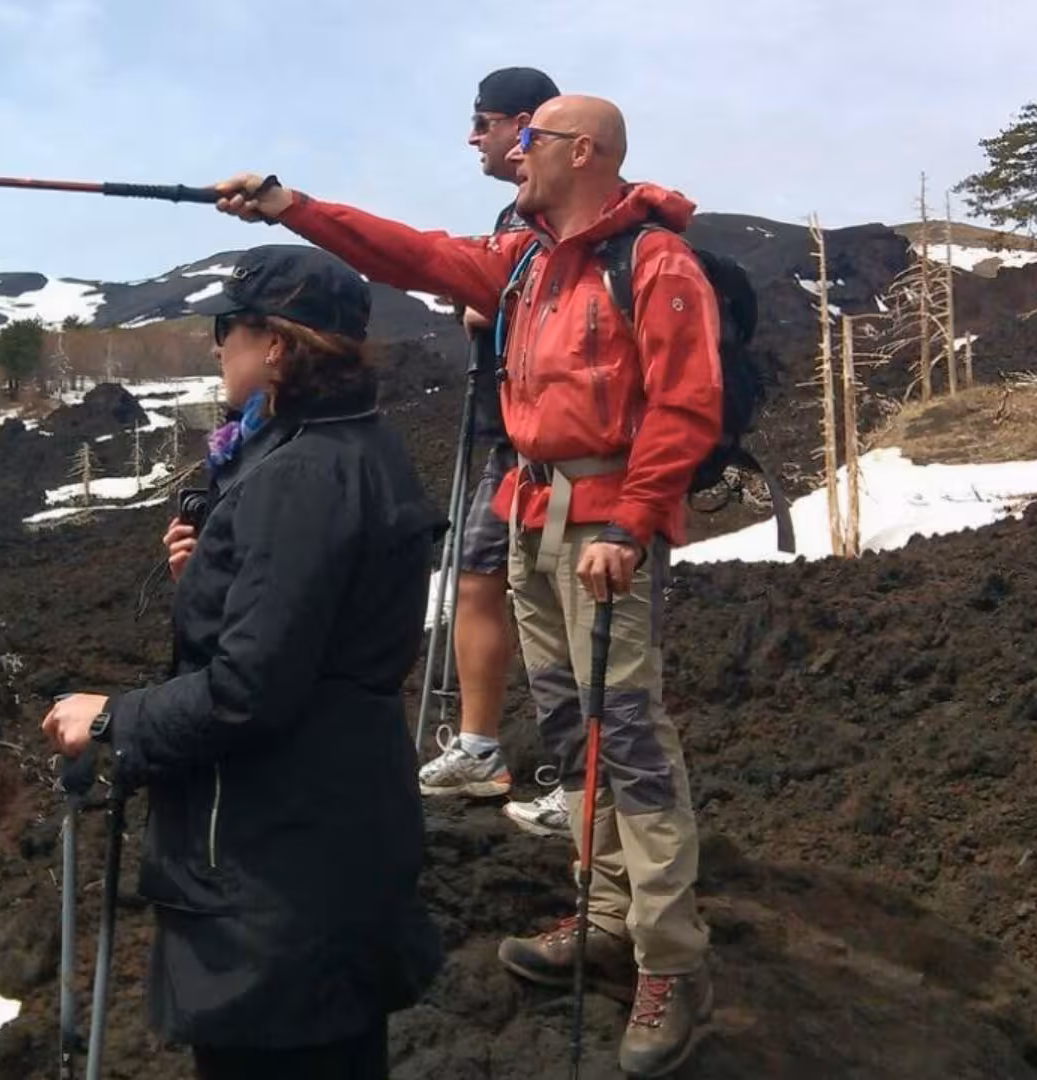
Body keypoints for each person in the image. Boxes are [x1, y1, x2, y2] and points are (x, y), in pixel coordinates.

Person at [209, 94, 717, 1077]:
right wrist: (291, 206)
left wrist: (629, 519)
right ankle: (608, 915)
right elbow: (409, 254)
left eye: (528, 140)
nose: (513, 154)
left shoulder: (655, 262)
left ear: (583, 152)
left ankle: (672, 958)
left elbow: (687, 403)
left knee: (634, 738)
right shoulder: (522, 256)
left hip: (602, 529)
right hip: (534, 520)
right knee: (575, 730)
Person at [42, 243, 445, 1080]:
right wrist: (218, 571)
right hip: (338, 839)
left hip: (277, 874)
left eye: (228, 328)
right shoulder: (354, 444)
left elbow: (250, 689)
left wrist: (113, 716)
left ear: (278, 345)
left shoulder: (296, 477)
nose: (216, 345)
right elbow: (320, 617)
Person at [416, 66, 578, 843]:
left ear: (523, 123)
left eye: (482, 121)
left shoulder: (555, 220)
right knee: (483, 578)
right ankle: (486, 751)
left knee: (555, 602)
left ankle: (584, 785)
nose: (472, 136)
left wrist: (485, 310)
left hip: (541, 442)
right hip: (507, 435)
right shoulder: (522, 218)